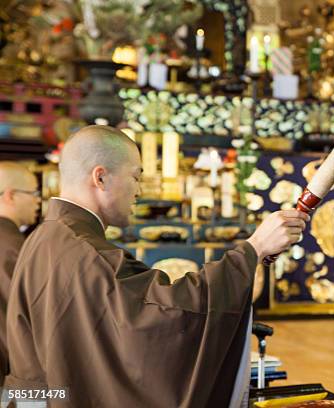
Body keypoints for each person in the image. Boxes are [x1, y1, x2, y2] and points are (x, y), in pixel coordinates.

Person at [5, 126, 308, 407]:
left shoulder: (45, 238)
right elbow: (166, 314)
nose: (139, 191)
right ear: (100, 178)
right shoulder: (85, 252)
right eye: (135, 176)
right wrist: (253, 249)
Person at [0, 162, 40, 386]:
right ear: (11, 195)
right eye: (33, 192)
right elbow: (20, 323)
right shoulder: (11, 247)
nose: (38, 201)